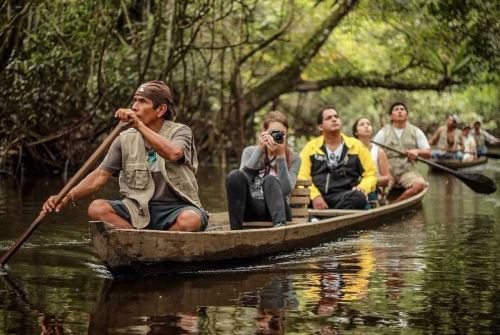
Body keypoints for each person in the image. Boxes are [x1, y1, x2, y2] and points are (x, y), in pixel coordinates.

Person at [42, 80, 208, 231]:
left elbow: (174, 153)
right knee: (96, 208)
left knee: (190, 220)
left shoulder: (180, 132)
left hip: (176, 208)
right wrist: (65, 197)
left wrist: (139, 125)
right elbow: (99, 177)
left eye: (142, 101)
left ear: (161, 109)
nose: (135, 106)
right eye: (135, 100)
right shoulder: (124, 139)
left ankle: (158, 243)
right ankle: (138, 241)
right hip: (138, 209)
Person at [225, 111, 301, 230]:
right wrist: (259, 150)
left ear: (287, 134)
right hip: (252, 209)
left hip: (278, 211)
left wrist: (281, 157)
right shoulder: (250, 152)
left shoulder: (294, 158)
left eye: (282, 133)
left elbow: (286, 190)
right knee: (234, 175)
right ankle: (235, 232)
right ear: (264, 133)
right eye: (273, 133)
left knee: (270, 180)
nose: (277, 136)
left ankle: (280, 230)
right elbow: (241, 182)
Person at [298, 107, 376, 210]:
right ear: (320, 127)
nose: (334, 119)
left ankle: (322, 220)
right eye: (329, 118)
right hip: (319, 198)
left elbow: (371, 174)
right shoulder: (310, 147)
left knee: (358, 197)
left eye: (336, 117)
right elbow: (302, 176)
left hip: (346, 196)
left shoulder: (356, 145)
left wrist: (362, 187)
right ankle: (326, 218)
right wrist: (315, 196)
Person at [373, 102, 431, 202]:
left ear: (407, 115)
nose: (399, 111)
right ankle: (380, 201)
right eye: (396, 109)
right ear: (391, 116)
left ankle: (395, 204)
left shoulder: (416, 131)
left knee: (420, 184)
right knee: (373, 186)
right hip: (388, 172)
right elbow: (372, 153)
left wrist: (417, 151)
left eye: (402, 109)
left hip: (408, 172)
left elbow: (429, 153)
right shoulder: (383, 133)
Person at [352, 117, 392, 205]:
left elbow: (386, 177)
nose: (366, 126)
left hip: (373, 188)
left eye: (368, 124)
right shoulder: (350, 150)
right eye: (362, 124)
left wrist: (368, 181)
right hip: (353, 187)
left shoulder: (379, 152)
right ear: (356, 132)